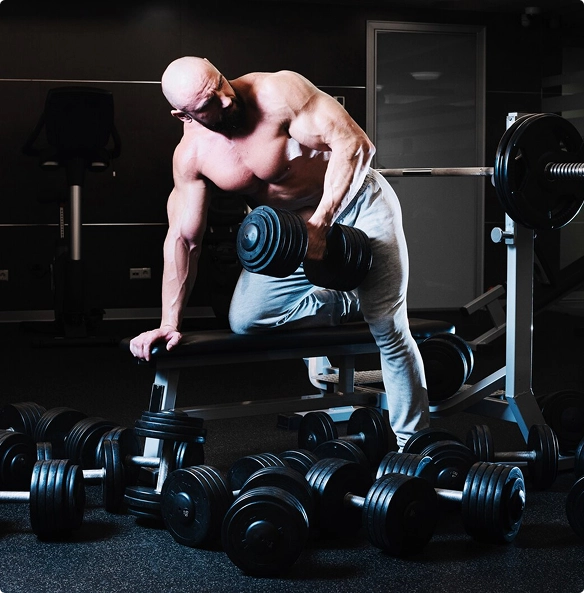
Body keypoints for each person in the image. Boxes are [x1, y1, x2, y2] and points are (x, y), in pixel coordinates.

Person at [129, 56, 428, 448]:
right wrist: (170, 322)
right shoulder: (192, 157)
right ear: (182, 115)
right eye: (207, 104)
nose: (224, 100)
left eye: (219, 83)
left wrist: (321, 225)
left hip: (357, 203)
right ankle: (343, 301)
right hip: (289, 234)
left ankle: (414, 446)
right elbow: (184, 239)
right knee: (248, 320)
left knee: (387, 328)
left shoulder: (278, 92)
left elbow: (355, 145)